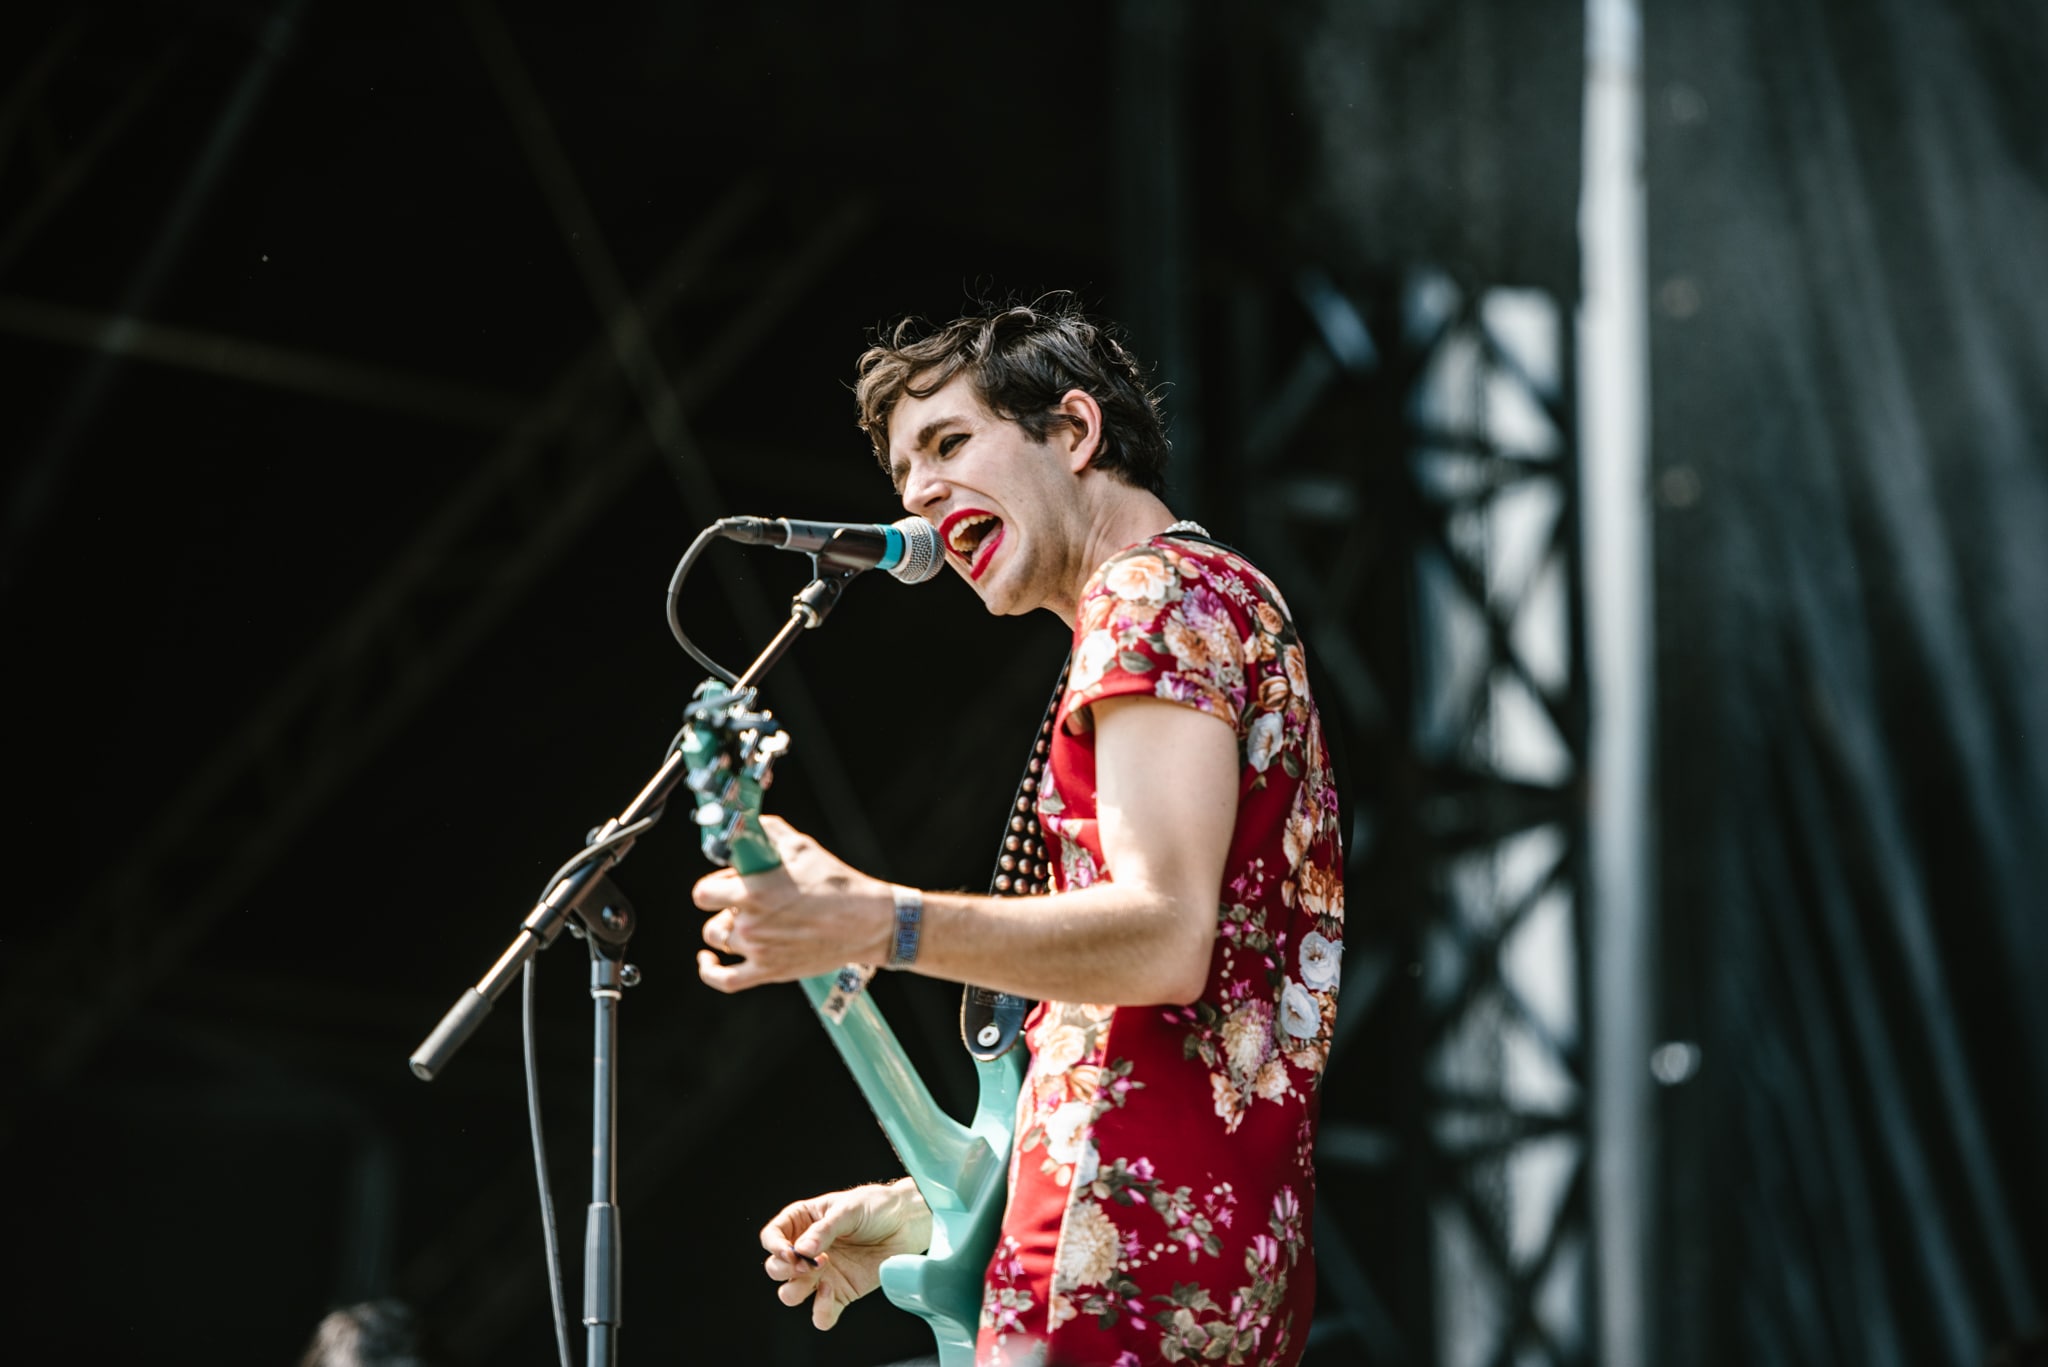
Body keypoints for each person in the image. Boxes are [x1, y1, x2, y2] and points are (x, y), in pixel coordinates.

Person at [692, 296, 1345, 1366]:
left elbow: (1163, 935)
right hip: (1199, 1242)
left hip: (1112, 1260)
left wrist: (881, 921)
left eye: (949, 443)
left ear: (1075, 431)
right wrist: (935, 1202)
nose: (918, 493)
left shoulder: (1149, 594)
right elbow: (1161, 1024)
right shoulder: (1209, 597)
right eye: (902, 473)